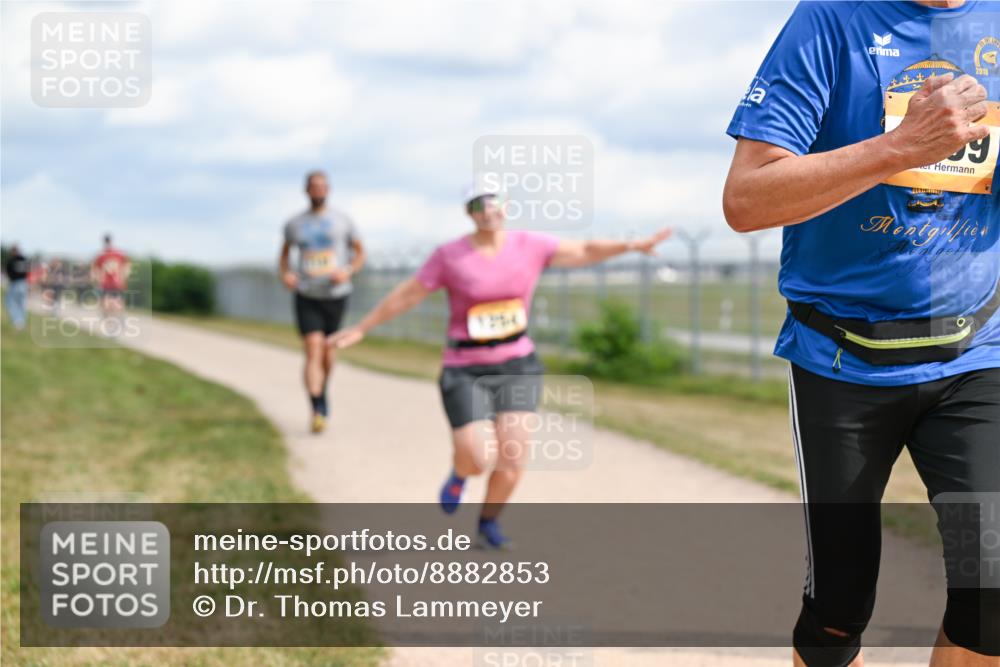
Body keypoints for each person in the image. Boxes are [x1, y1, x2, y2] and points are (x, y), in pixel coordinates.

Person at [723, 2, 999, 665]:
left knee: (991, 588)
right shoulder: (828, 20)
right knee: (840, 613)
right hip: (841, 362)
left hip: (975, 353)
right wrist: (904, 145)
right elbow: (746, 200)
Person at [330, 187, 671, 548]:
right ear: (469, 213)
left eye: (493, 201)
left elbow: (584, 251)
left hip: (517, 365)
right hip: (465, 369)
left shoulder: (530, 246)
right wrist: (362, 327)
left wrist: (632, 246)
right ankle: (461, 474)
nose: (487, 210)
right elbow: (409, 294)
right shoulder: (450, 256)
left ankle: (488, 523)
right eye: (478, 204)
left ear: (506, 206)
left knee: (512, 458)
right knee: (478, 458)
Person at [279, 170, 366, 434]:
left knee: (328, 351)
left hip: (336, 295)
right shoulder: (294, 223)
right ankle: (317, 407)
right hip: (307, 294)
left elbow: (360, 253)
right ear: (306, 190)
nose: (318, 190)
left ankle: (322, 392)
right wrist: (286, 274)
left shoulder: (342, 221)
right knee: (312, 347)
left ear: (328, 189)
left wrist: (348, 270)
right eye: (313, 186)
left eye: (322, 186)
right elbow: (284, 255)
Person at [92, 235, 131, 319]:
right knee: (110, 300)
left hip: (115, 282)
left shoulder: (106, 255)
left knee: (114, 300)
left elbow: (127, 266)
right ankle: (112, 316)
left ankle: (118, 315)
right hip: (108, 282)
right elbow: (96, 270)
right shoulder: (103, 255)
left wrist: (124, 277)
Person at [4, 244, 29, 330]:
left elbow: (8, 272)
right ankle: (22, 322)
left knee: (9, 302)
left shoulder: (11, 260)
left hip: (15, 284)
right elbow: (27, 271)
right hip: (24, 283)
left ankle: (17, 321)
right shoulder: (24, 259)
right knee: (21, 303)